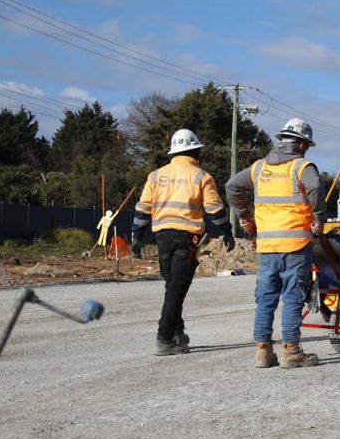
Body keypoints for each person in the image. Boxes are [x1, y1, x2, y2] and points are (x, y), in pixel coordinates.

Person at [226, 118, 325, 369]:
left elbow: (231, 187)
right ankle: (291, 351)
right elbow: (315, 187)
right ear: (301, 144)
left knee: (266, 298)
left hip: (268, 246)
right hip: (296, 244)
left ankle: (263, 352)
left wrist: (244, 217)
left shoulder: (259, 169)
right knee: (293, 297)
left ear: (283, 140)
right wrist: (318, 218)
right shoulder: (303, 167)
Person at [132, 129, 234, 356]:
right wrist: (226, 230)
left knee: (173, 287)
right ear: (195, 150)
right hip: (187, 239)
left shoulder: (155, 176)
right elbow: (215, 210)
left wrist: (137, 237)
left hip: (162, 239)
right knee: (176, 289)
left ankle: (178, 333)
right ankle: (164, 337)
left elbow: (142, 209)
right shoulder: (201, 176)